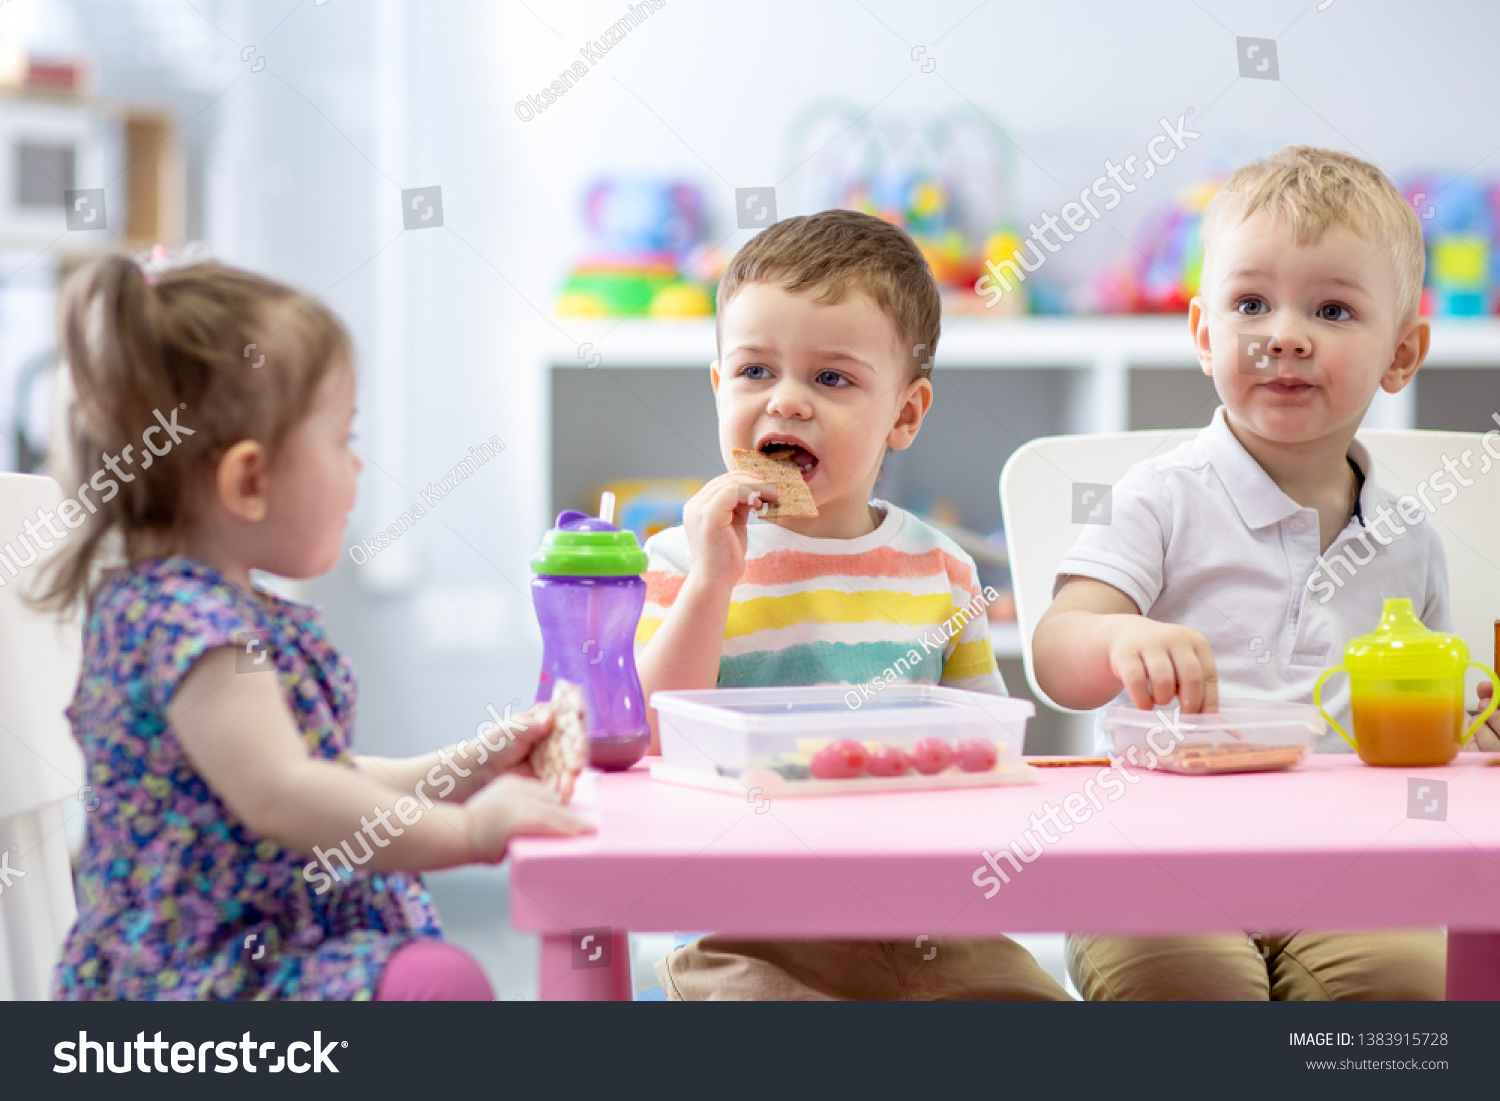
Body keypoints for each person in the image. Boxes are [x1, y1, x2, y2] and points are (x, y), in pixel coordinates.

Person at [47, 255, 590, 1000]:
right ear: (249, 480)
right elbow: (285, 791)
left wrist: (464, 770)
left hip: (267, 946)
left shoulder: (221, 607)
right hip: (198, 979)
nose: (359, 466)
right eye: (341, 440)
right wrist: (467, 836)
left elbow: (325, 773)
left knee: (434, 979)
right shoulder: (183, 624)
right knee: (439, 982)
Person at [1032, 145, 1446, 1000]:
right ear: (1204, 333)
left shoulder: (1409, 537)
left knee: (1410, 998)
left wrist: (1467, 721)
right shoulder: (1158, 495)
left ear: (1402, 354)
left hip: (1349, 870)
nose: (1284, 333)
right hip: (1157, 863)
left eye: (1332, 309)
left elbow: (1421, 725)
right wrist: (1119, 636)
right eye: (1251, 302)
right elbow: (1056, 653)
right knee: (1193, 997)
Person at [636, 209, 1068, 1000]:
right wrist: (709, 584)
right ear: (718, 385)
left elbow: (988, 754)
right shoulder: (679, 559)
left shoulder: (942, 569)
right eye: (755, 371)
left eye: (831, 379)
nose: (787, 402)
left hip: (930, 921)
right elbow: (647, 735)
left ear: (904, 414)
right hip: (740, 926)